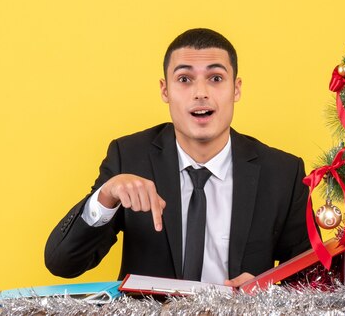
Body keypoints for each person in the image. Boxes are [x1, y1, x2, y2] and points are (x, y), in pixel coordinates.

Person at [45, 28, 310, 287]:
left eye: (216, 78)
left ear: (236, 89)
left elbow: (313, 281)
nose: (200, 93)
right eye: (184, 79)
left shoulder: (283, 174)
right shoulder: (129, 157)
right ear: (165, 90)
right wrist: (106, 196)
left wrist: (267, 290)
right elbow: (63, 263)